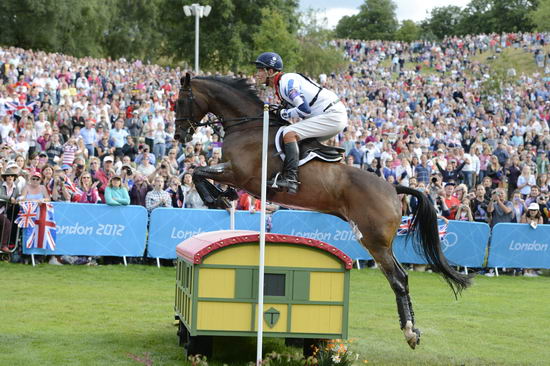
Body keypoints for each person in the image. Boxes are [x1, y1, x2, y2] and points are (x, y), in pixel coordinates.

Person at [253, 52, 348, 193]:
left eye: (261, 69)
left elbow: (304, 109)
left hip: (331, 115)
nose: (257, 74)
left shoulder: (286, 83)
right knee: (292, 137)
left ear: (270, 71)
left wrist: (283, 113)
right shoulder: (281, 84)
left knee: (289, 133)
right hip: (329, 114)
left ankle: (290, 179)